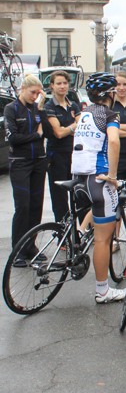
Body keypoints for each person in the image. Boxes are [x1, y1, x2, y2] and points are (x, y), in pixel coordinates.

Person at [71, 72, 124, 303]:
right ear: (109, 94)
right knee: (103, 239)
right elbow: (113, 141)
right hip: (99, 178)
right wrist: (112, 175)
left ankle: (79, 234)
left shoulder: (83, 114)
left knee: (93, 213)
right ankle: (102, 290)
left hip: (78, 177)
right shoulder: (109, 114)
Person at [5, 75, 47, 265]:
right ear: (23, 89)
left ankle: (31, 246)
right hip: (20, 162)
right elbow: (13, 137)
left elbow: (44, 130)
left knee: (36, 205)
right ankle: (18, 250)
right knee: (23, 206)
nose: (35, 96)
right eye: (33, 92)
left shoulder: (36, 108)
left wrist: (42, 104)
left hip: (38, 161)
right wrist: (34, 136)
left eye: (38, 93)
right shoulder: (11, 108)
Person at [43, 70, 81, 222]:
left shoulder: (74, 105)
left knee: (78, 193)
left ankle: (79, 234)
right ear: (52, 86)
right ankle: (63, 237)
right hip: (56, 156)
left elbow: (83, 126)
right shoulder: (49, 107)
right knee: (59, 197)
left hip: (74, 154)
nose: (62, 86)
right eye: (58, 83)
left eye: (65, 83)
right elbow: (58, 133)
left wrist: (69, 129)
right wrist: (73, 127)